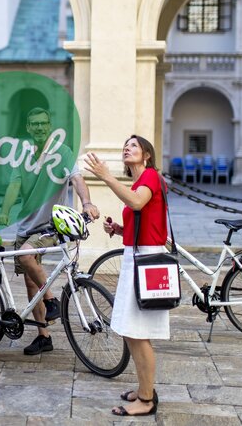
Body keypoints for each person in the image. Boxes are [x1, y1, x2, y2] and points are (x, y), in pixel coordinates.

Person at [0, 107, 99, 355]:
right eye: (35, 124)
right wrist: (5, 211)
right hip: (26, 226)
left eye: (44, 123)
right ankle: (44, 336)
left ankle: (51, 299)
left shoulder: (62, 153)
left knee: (25, 256)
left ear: (49, 125)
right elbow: (14, 185)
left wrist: (86, 203)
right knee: (31, 284)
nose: (40, 127)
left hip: (49, 225)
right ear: (29, 128)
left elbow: (77, 179)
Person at [82, 135, 168, 417]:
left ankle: (145, 400)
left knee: (138, 333)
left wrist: (106, 176)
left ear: (146, 156)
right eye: (125, 146)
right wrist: (120, 229)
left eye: (133, 146)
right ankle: (145, 388)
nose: (126, 148)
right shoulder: (140, 182)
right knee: (134, 332)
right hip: (137, 256)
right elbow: (142, 215)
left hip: (146, 260)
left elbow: (137, 203)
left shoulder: (151, 177)